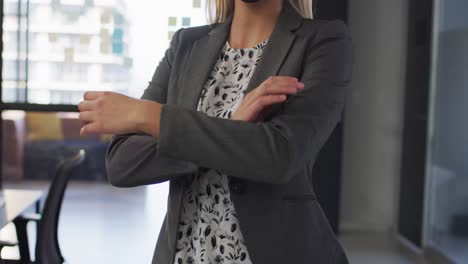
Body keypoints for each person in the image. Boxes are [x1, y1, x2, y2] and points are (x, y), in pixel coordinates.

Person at [77, 0, 353, 263]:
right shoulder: (185, 45)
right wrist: (232, 123)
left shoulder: (323, 41)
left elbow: (281, 155)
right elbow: (123, 164)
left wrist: (148, 115)